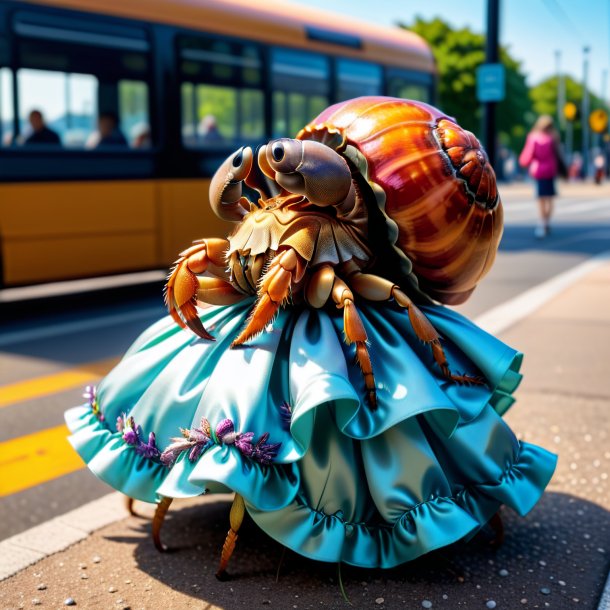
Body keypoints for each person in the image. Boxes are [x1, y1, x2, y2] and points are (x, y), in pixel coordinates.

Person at [519, 115, 563, 238]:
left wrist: (524, 162)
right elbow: (558, 154)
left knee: (541, 198)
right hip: (550, 170)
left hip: (538, 170)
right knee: (549, 198)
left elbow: (528, 154)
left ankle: (542, 223)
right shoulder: (553, 137)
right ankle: (547, 221)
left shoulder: (533, 137)